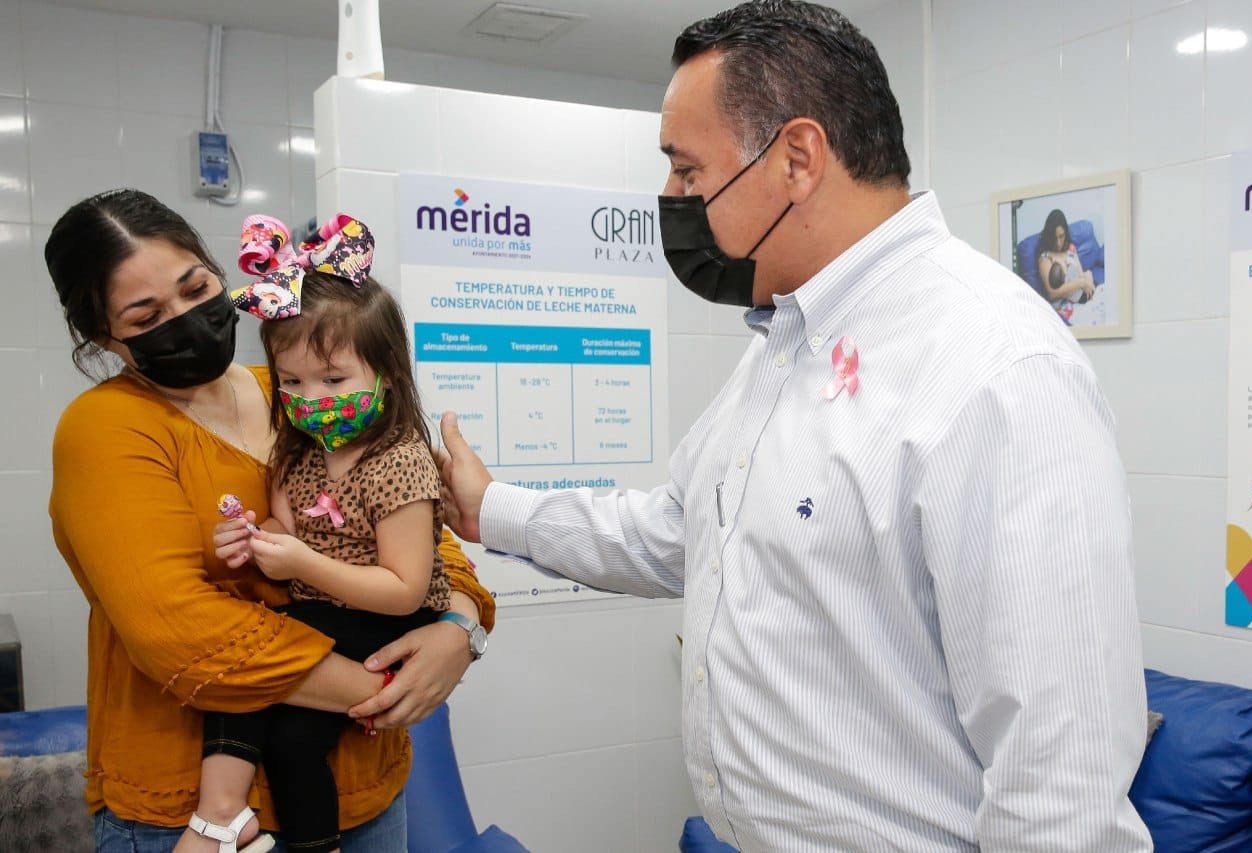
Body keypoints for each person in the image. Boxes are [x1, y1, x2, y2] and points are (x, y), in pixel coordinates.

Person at [436, 1, 1151, 850]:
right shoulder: (786, 342)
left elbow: (1061, 792)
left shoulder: (994, 368)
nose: (670, 199)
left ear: (798, 158)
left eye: (687, 171)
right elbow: (679, 531)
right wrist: (493, 507)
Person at [45, 189, 495, 853]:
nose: (186, 319)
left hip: (363, 784)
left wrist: (457, 629)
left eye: (195, 287)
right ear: (101, 335)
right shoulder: (107, 429)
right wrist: (383, 688)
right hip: (191, 809)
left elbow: (416, 532)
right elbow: (181, 633)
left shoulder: (294, 386)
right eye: (147, 315)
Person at [181, 214, 476, 853]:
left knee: (258, 677)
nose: (310, 397)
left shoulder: (399, 462)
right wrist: (254, 539)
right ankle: (256, 823)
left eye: (333, 380)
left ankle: (232, 818)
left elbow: (404, 589)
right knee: (280, 727)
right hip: (327, 610)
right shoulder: (299, 453)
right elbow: (286, 530)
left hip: (388, 619)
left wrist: (302, 564)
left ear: (386, 371)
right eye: (291, 382)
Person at [1036, 207, 1095, 318]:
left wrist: (1087, 278)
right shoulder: (1045, 258)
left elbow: (1080, 274)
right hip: (1064, 306)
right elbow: (1053, 294)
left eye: (1061, 236)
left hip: (1081, 294)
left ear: (1066, 233)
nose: (1058, 243)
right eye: (1054, 238)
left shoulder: (1070, 248)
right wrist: (1082, 283)